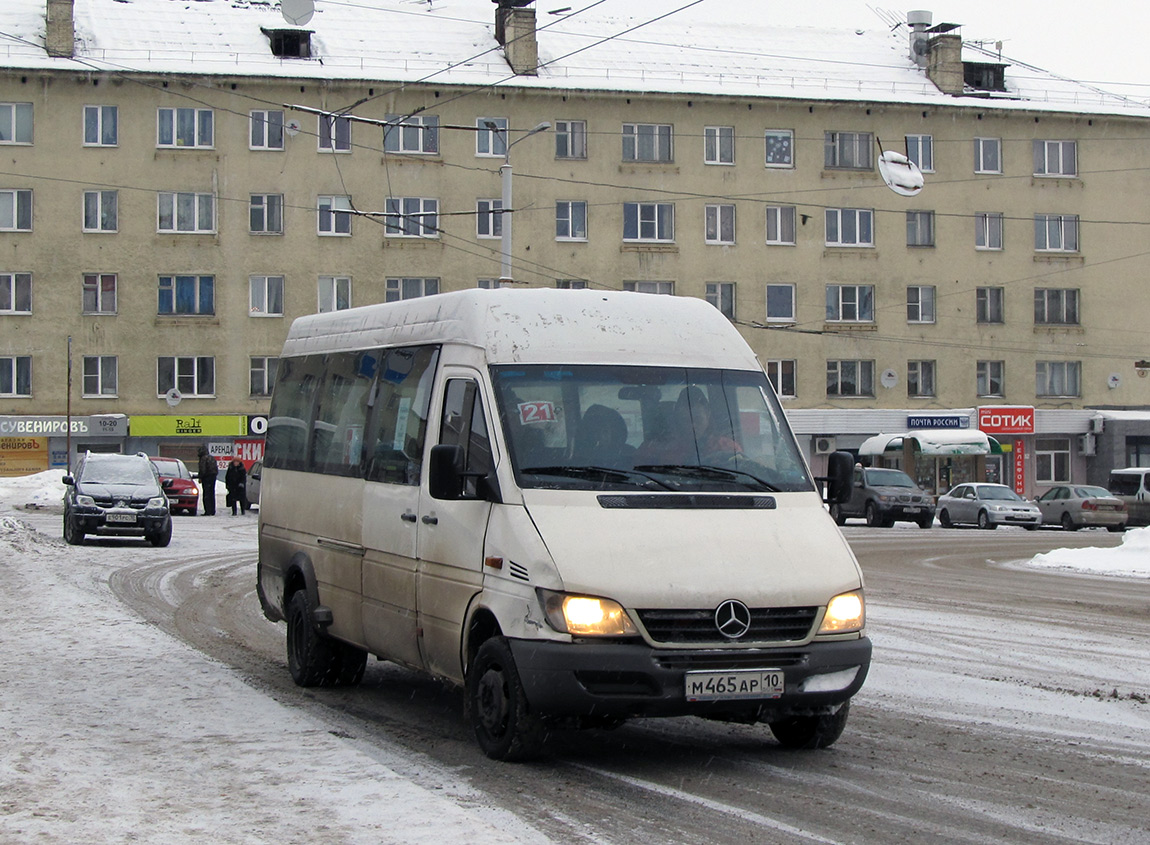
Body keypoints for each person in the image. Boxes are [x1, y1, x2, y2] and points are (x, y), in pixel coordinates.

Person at [197, 445, 218, 516]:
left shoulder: (203, 459)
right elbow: (216, 469)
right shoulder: (212, 457)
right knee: (212, 494)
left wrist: (200, 477)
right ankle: (212, 510)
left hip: (206, 478)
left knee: (206, 494)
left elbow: (202, 469)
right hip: (213, 477)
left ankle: (207, 511)